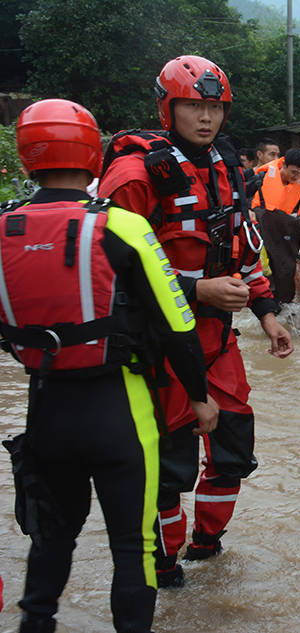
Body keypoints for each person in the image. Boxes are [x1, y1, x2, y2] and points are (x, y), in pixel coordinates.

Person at [1, 98, 217, 633]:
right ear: (93, 152)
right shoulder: (120, 226)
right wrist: (198, 395)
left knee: (51, 540)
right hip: (120, 410)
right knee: (134, 548)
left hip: (45, 410)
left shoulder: (4, 226)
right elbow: (177, 323)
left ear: (28, 157)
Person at [98, 55, 294, 588]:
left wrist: (267, 312)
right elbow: (113, 275)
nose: (205, 118)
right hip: (158, 343)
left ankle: (207, 543)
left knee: (232, 449)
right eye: (193, 106)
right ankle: (162, 559)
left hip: (217, 338)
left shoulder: (226, 166)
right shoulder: (134, 176)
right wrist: (194, 289)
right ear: (168, 106)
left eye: (214, 107)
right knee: (170, 463)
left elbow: (243, 249)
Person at [251, 147, 300, 303]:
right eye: (294, 173)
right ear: (283, 165)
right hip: (261, 243)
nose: (296, 177)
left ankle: (283, 312)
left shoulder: (298, 187)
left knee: (285, 280)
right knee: (263, 282)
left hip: (285, 243)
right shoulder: (260, 179)